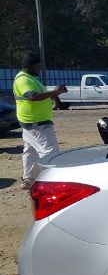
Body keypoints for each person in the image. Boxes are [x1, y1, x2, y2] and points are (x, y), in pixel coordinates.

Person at [12, 53, 67, 190]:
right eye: (38, 66)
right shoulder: (23, 80)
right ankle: (51, 182)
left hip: (32, 122)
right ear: (30, 66)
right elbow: (32, 97)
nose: (40, 68)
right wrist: (54, 93)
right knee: (50, 152)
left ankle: (29, 180)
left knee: (30, 152)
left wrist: (55, 93)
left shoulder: (30, 78)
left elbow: (40, 95)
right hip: (37, 123)